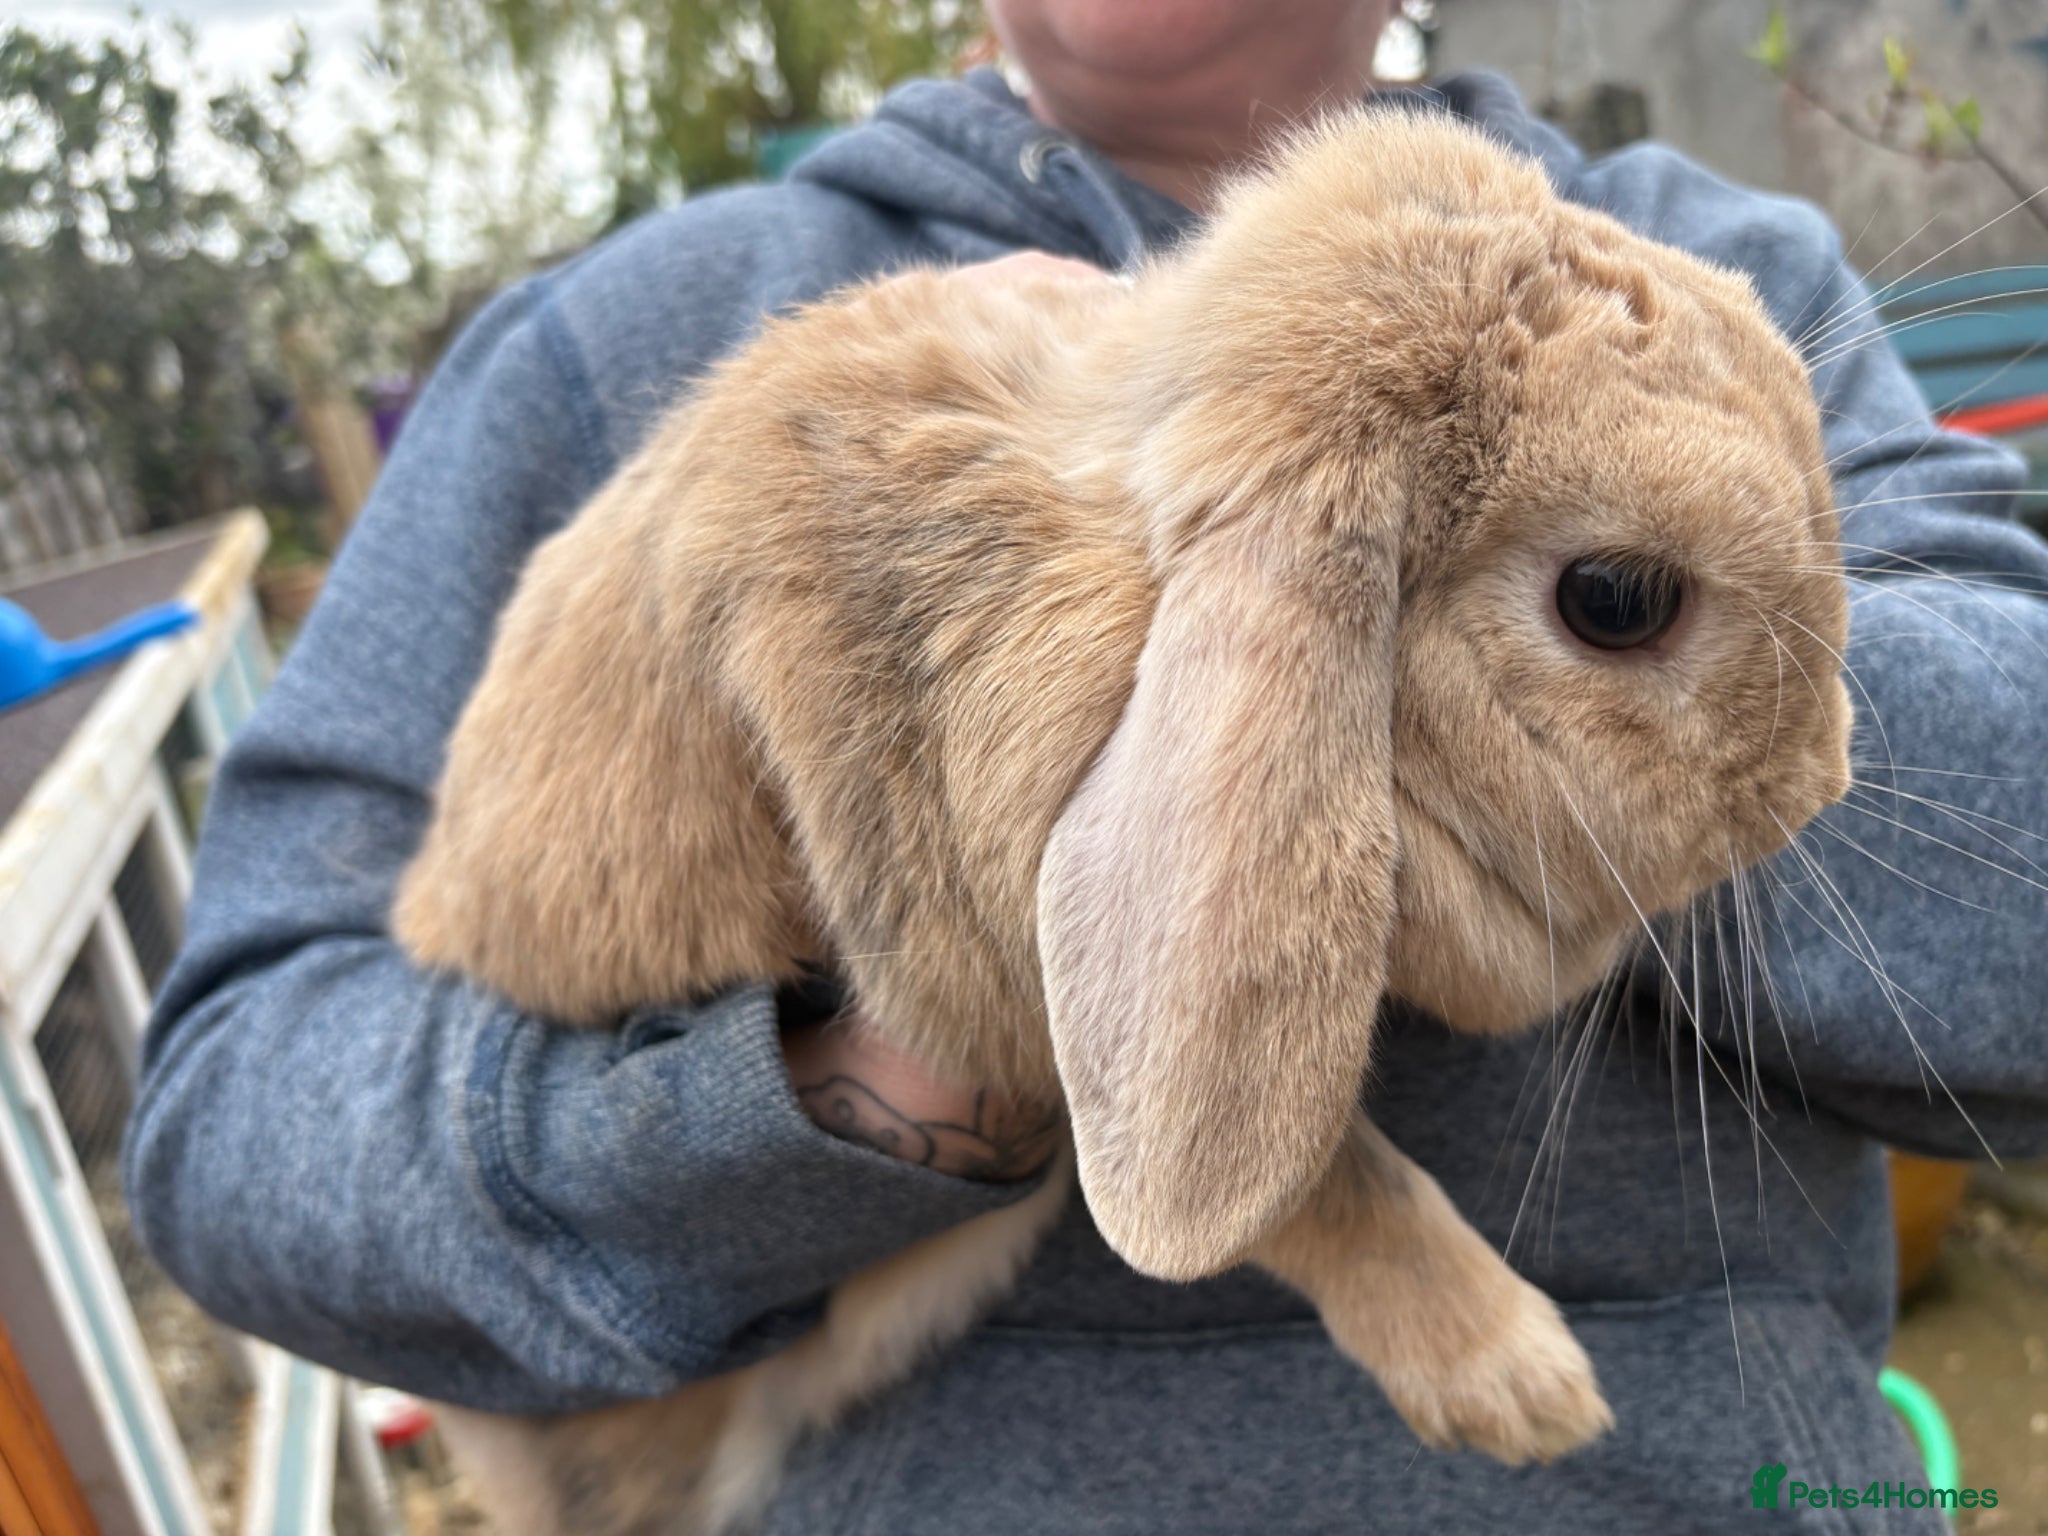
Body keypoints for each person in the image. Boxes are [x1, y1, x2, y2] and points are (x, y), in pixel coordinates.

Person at [125, 2, 2048, 1530]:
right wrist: (840, 1082)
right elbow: (234, 1124)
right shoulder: (601, 337)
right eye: (1620, 590)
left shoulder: (1720, 277)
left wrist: (1432, 719)